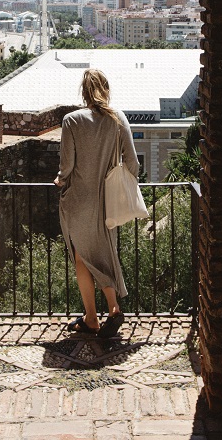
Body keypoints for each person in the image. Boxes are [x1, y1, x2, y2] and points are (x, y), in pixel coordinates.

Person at [53, 68, 140, 337]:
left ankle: (92, 317)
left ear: (84, 91)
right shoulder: (118, 119)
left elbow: (66, 166)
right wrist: (119, 187)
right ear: (106, 89)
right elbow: (134, 164)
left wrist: (60, 179)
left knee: (83, 257)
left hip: (78, 201)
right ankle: (112, 308)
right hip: (107, 204)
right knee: (103, 254)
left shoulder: (71, 120)